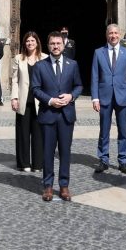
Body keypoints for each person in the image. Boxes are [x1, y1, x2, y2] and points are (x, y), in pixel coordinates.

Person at [31, 31, 83, 201]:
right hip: (48, 114)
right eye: (52, 43)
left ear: (63, 44)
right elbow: (36, 89)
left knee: (65, 152)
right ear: (48, 46)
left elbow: (78, 86)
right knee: (47, 152)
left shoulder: (72, 64)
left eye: (58, 43)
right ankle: (47, 186)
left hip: (67, 115)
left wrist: (71, 96)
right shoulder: (40, 66)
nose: (55, 46)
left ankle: (64, 185)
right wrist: (50, 100)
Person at [91, 23, 126, 174]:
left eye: (116, 33)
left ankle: (123, 161)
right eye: (110, 33)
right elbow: (95, 77)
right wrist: (95, 98)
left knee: (123, 131)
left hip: (123, 97)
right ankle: (103, 160)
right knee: (104, 130)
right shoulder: (99, 53)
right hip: (104, 97)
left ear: (120, 34)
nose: (113, 36)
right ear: (107, 35)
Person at [10, 30, 46, 172]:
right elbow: (15, 80)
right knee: (23, 133)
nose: (30, 43)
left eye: (32, 40)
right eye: (27, 41)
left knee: (38, 134)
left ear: (37, 42)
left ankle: (38, 163)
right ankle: (24, 163)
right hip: (23, 100)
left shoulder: (45, 58)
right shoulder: (18, 58)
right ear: (24, 43)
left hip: (40, 101)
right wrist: (14, 97)